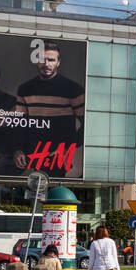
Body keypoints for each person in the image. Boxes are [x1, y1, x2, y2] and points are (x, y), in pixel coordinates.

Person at [13, 40, 85, 174]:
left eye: (51, 60)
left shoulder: (73, 89)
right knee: (25, 192)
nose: (46, 64)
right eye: (42, 59)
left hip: (59, 156)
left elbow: (87, 124)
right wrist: (18, 149)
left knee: (55, 191)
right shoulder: (25, 89)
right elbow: (19, 123)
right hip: (31, 155)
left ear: (58, 62)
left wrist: (68, 147)